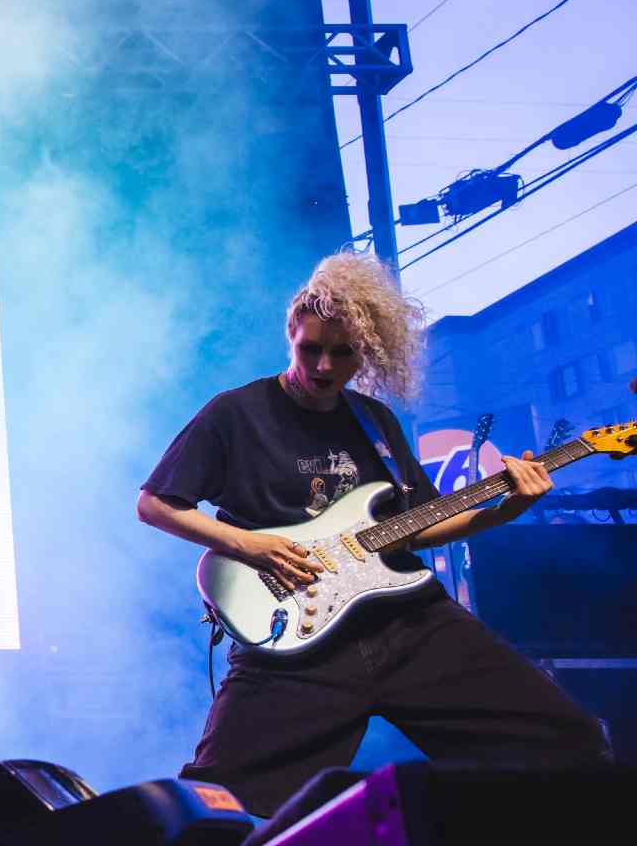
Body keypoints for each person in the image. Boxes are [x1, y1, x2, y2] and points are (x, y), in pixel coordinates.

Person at [136, 251, 609, 816]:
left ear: (366, 353)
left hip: (409, 625)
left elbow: (427, 522)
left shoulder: (373, 421)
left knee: (566, 741)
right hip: (297, 648)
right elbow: (155, 504)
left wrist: (506, 507)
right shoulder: (236, 414)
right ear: (291, 332)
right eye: (310, 349)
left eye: (343, 354)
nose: (323, 366)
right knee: (218, 806)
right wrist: (248, 543)